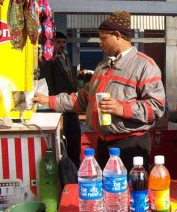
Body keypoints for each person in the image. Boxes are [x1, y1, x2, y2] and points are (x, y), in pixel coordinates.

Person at [34, 11, 166, 172]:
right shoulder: (102, 67)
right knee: (107, 193)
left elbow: (157, 107)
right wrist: (47, 100)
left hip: (131, 147)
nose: (100, 44)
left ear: (117, 35)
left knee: (130, 193)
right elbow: (82, 99)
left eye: (103, 38)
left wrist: (122, 108)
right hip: (104, 143)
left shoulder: (145, 66)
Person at [40, 31, 81, 167]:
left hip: (71, 106)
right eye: (59, 42)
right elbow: (49, 83)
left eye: (64, 42)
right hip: (59, 107)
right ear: (53, 44)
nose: (62, 45)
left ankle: (74, 168)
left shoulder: (66, 58)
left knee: (74, 141)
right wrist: (51, 103)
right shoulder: (50, 61)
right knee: (64, 143)